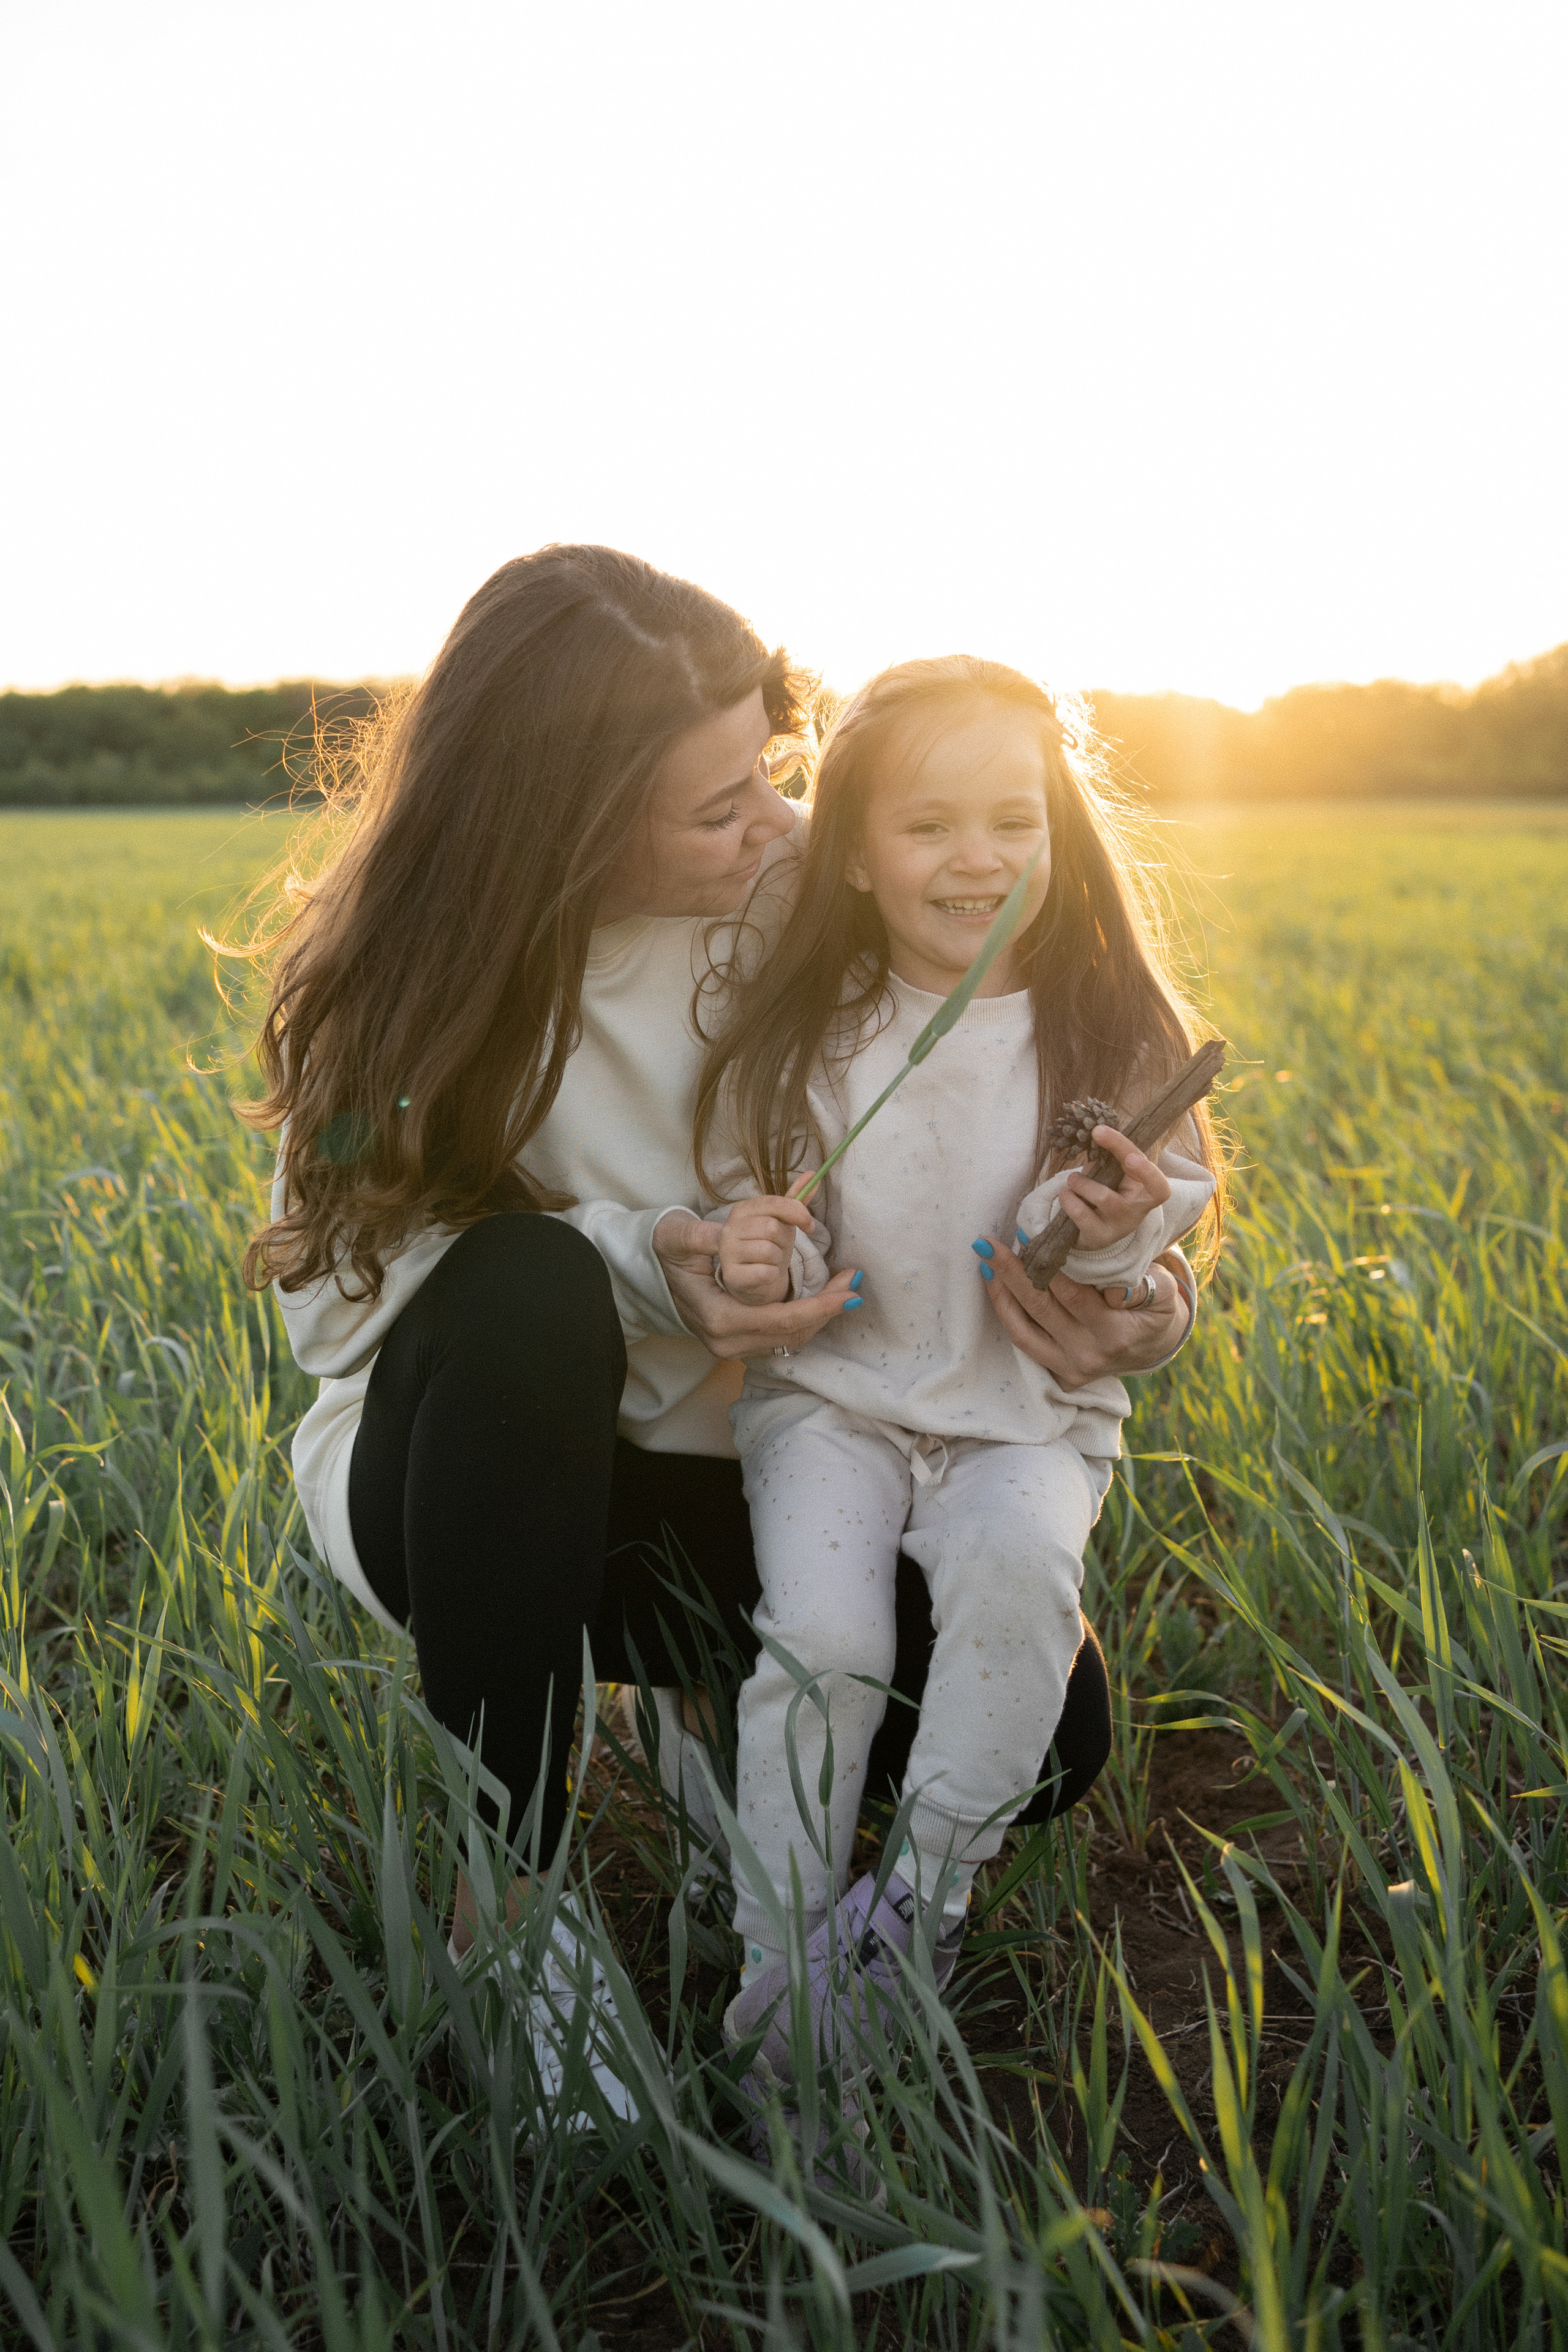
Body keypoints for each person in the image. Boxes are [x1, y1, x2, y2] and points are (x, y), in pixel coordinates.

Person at [241, 550, 1199, 2117]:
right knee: (531, 1287)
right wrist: (642, 1260)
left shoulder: (803, 895)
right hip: (470, 1489)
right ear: (560, 820)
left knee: (1047, 1738)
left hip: (760, 1468)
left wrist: (1145, 1298)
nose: (777, 820)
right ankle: (517, 1902)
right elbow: (337, 1311)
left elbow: (1037, 1094)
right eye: (720, 803)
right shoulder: (398, 993)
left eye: (768, 768)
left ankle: (707, 1728)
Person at [696, 655, 1222, 2109]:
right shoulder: (812, 1024)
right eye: (927, 828)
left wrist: (1122, 1248)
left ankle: (915, 1906)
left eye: (1012, 821)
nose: (976, 859)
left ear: (1057, 833)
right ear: (850, 855)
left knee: (1013, 1591)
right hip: (836, 1403)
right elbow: (761, 1207)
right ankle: (777, 1949)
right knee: (822, 1642)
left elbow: (1136, 1280)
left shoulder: (1102, 1031)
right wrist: (756, 1256)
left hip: (1022, 1421)